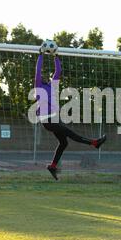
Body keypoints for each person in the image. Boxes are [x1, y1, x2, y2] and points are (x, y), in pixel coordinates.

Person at [34, 43, 106, 180]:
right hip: (47, 120)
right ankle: (94, 143)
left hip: (54, 118)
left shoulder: (52, 85)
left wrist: (56, 56)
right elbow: (37, 71)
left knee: (64, 143)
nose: (42, 76)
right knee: (70, 133)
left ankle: (53, 166)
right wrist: (41, 55)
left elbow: (58, 71)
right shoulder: (38, 86)